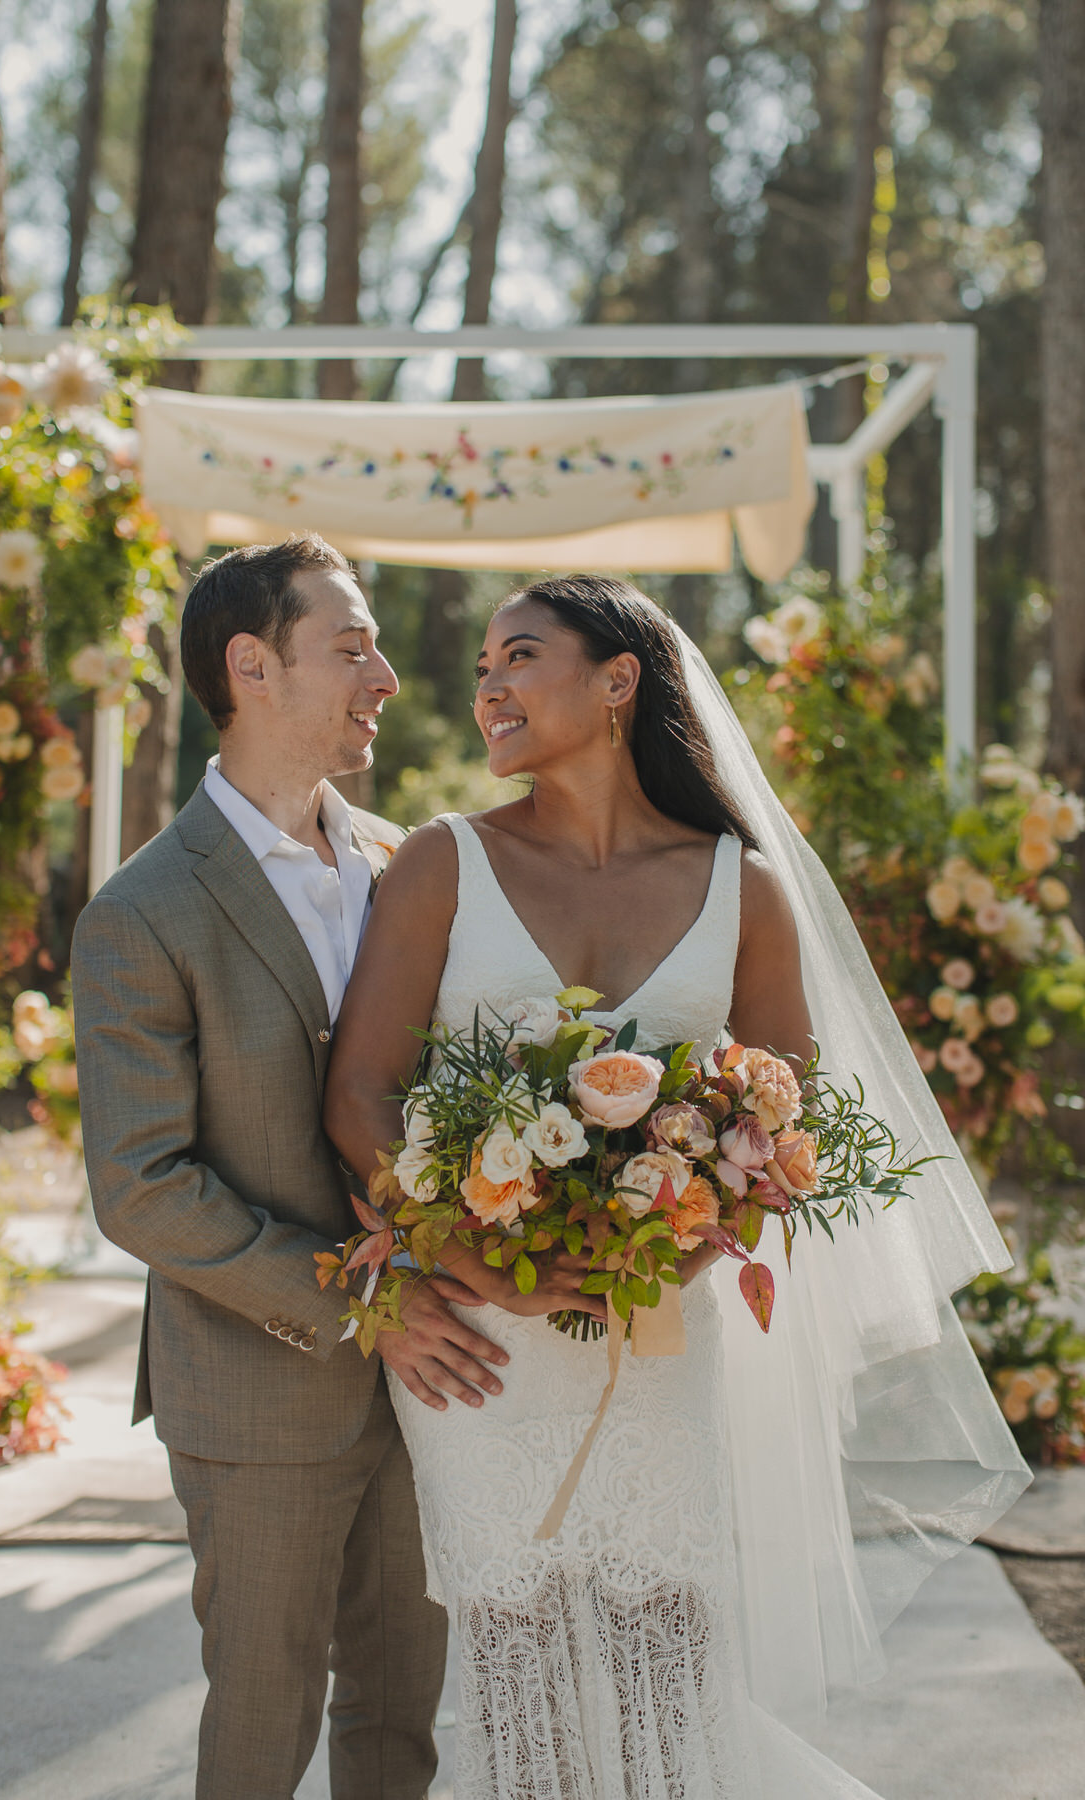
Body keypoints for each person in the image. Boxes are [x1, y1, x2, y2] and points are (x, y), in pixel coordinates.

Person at [325, 574, 1031, 1799]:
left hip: (656, 1330)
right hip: (479, 1345)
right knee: (519, 1658)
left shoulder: (742, 890)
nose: (487, 684)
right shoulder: (443, 862)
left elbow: (782, 1129)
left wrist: (680, 1243)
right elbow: (361, 1096)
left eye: (520, 656)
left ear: (617, 682)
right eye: (483, 663)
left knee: (665, 1654)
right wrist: (470, 1260)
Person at [71, 534, 520, 1800]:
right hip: (260, 1396)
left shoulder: (411, 864)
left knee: (402, 1726)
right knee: (264, 1734)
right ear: (251, 664)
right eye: (353, 643)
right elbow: (143, 1185)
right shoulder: (139, 916)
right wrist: (371, 1306)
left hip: (436, 1388)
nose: (385, 672)